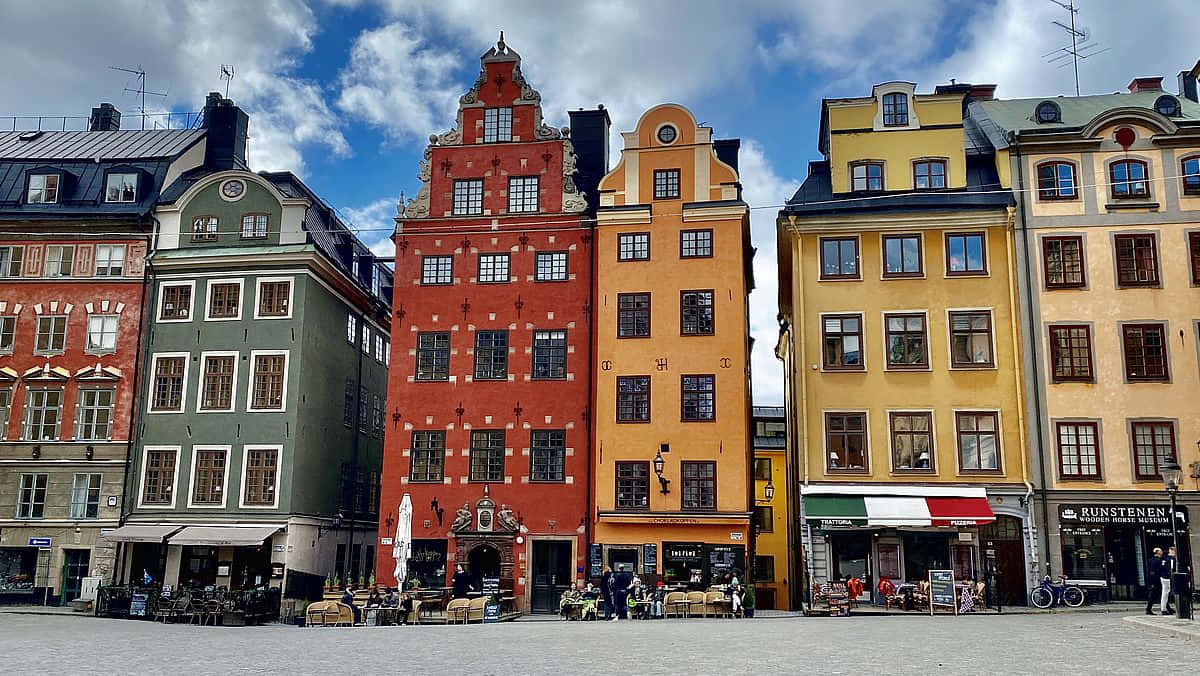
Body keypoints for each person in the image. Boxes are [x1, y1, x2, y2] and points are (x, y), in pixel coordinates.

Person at [1146, 548, 1167, 615]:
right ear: (1157, 552)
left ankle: (1167, 608)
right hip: (1156, 580)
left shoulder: (1154, 560)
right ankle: (1148, 609)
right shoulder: (1155, 560)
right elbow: (1152, 572)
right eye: (1160, 551)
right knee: (1154, 595)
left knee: (1162, 594)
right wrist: (1152, 582)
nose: (1162, 552)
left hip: (1157, 579)